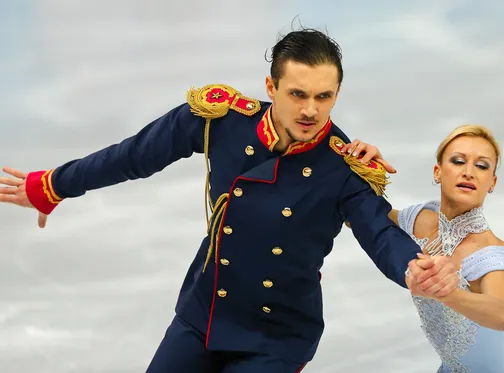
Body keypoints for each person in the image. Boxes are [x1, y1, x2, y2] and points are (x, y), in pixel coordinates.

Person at [0, 28, 461, 373]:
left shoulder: (345, 167)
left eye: (324, 97)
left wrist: (411, 267)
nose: (310, 111)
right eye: (298, 94)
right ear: (270, 88)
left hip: (276, 335)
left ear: (337, 93)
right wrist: (54, 185)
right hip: (206, 310)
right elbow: (136, 155)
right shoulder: (221, 120)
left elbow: (380, 232)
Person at [343, 125, 504, 373]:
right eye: (458, 161)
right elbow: (363, 218)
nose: (469, 172)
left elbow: (503, 316)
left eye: (482, 166)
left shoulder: (490, 253)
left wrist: (441, 290)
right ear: (438, 172)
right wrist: (358, 166)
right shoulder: (421, 221)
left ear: (492, 182)